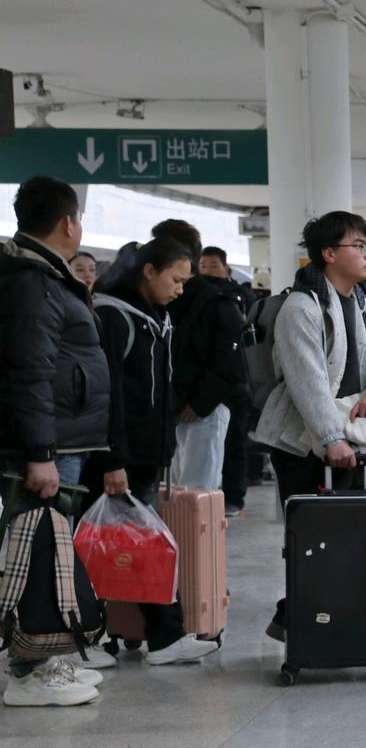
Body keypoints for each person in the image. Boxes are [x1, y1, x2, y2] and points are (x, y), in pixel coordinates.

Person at [252, 211, 366, 641]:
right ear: (328, 254)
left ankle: (333, 620)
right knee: (312, 539)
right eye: (359, 246)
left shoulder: (365, 302)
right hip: (300, 442)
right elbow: (308, 383)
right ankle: (301, 621)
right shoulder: (301, 308)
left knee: (352, 537)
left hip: (352, 439)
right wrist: (330, 439)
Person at [0, 177, 112, 705]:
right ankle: (29, 671)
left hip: (60, 441)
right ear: (69, 223)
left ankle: (42, 658)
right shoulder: (34, 281)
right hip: (49, 446)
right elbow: (31, 372)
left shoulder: (42, 274)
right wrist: (40, 453)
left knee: (47, 547)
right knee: (38, 549)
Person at [87, 237, 220, 665]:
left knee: (140, 547)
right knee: (104, 548)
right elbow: (109, 395)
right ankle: (101, 638)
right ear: (149, 271)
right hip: (119, 458)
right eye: (175, 279)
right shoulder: (113, 317)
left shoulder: (155, 317)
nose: (180, 289)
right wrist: (113, 460)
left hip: (145, 455)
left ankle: (158, 636)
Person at [154, 220, 246, 494]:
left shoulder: (215, 301)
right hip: (172, 409)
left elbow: (226, 360)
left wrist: (199, 403)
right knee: (173, 492)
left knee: (197, 492)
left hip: (203, 410)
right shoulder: (160, 300)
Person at [200, 247, 256, 516]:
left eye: (213, 265)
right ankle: (208, 498)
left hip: (236, 382)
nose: (207, 271)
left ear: (226, 268)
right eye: (203, 266)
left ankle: (234, 497)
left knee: (234, 442)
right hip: (209, 382)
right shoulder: (197, 295)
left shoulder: (239, 297)